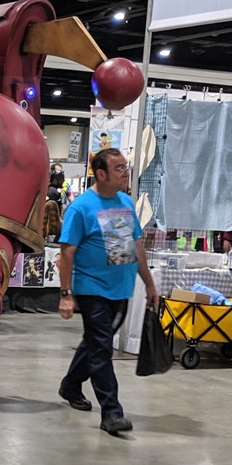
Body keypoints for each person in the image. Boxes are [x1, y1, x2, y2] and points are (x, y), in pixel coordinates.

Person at [57, 147, 158, 435]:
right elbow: (67, 252)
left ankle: (70, 384)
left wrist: (149, 283)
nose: (126, 173)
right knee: (102, 347)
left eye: (126, 167)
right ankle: (111, 412)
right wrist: (66, 294)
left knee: (94, 342)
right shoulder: (81, 208)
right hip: (92, 288)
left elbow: (136, 245)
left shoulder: (125, 202)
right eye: (119, 168)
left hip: (121, 288)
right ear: (100, 174)